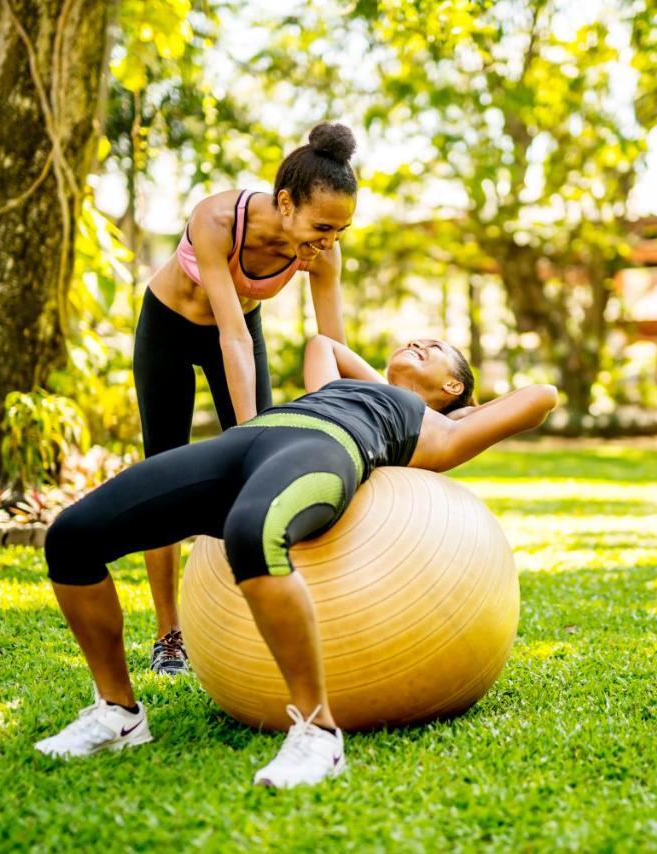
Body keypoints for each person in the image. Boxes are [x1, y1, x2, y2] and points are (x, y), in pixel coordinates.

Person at [35, 334, 558, 788]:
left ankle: (317, 733)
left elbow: (542, 396)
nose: (419, 343)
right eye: (418, 341)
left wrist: (463, 411)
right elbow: (323, 346)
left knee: (251, 534)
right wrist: (386, 383)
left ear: (453, 388)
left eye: (436, 349)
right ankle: (118, 714)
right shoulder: (356, 388)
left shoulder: (442, 432)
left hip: (326, 449)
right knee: (72, 537)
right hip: (245, 442)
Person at [134, 123, 357, 676]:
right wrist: (252, 434)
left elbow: (333, 347)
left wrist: (351, 424)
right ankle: (168, 636)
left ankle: (259, 619)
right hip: (169, 326)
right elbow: (228, 335)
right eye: (323, 226)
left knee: (268, 474)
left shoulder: (321, 254)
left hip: (238, 332)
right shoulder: (216, 219)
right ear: (285, 203)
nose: (330, 241)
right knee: (162, 469)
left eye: (342, 229)